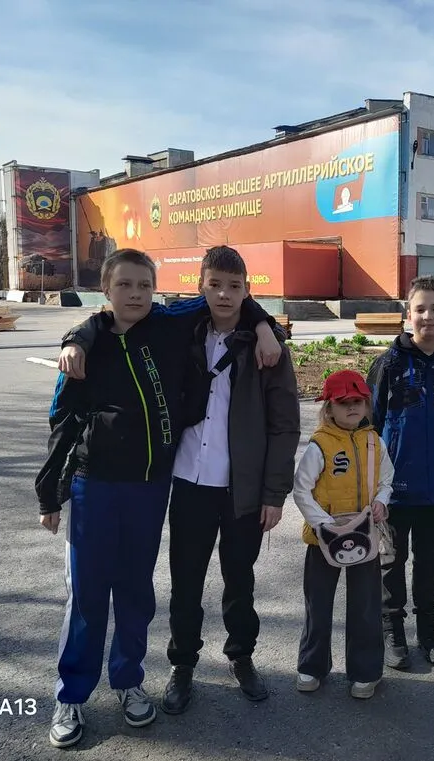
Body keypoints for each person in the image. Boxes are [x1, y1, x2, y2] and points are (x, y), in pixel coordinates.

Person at [55, 245, 300, 713]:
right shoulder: (180, 332)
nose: (223, 295)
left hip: (243, 489)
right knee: (185, 582)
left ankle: (242, 656)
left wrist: (274, 493)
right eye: (214, 285)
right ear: (200, 288)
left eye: (234, 286)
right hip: (187, 481)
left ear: (247, 290)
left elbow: (285, 426)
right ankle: (182, 664)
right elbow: (106, 321)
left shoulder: (267, 350)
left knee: (239, 580)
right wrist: (74, 339)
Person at [37, 248, 240, 748]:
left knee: (134, 592)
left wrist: (264, 328)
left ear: (155, 289)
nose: (135, 294)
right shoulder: (88, 346)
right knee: (88, 595)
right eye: (124, 285)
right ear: (105, 291)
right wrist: (49, 495)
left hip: (150, 487)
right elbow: (61, 421)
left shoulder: (168, 326)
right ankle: (72, 694)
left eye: (144, 285)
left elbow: (225, 297)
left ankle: (128, 681)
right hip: (94, 486)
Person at [366, 275, 434, 668]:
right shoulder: (388, 363)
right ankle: (392, 629)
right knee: (391, 560)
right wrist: (375, 481)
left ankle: (429, 630)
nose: (428, 316)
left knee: (429, 560)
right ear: (408, 315)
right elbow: (371, 425)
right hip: (394, 484)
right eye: (420, 309)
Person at [292, 370, 395, 699]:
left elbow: (386, 481)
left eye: (358, 402)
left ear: (366, 405)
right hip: (323, 540)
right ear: (329, 408)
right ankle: (312, 666)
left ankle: (365, 671)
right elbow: (301, 490)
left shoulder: (375, 442)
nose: (352, 407)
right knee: (318, 604)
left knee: (366, 605)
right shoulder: (319, 445)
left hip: (365, 536)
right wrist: (324, 524)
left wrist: (381, 501)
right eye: (344, 402)